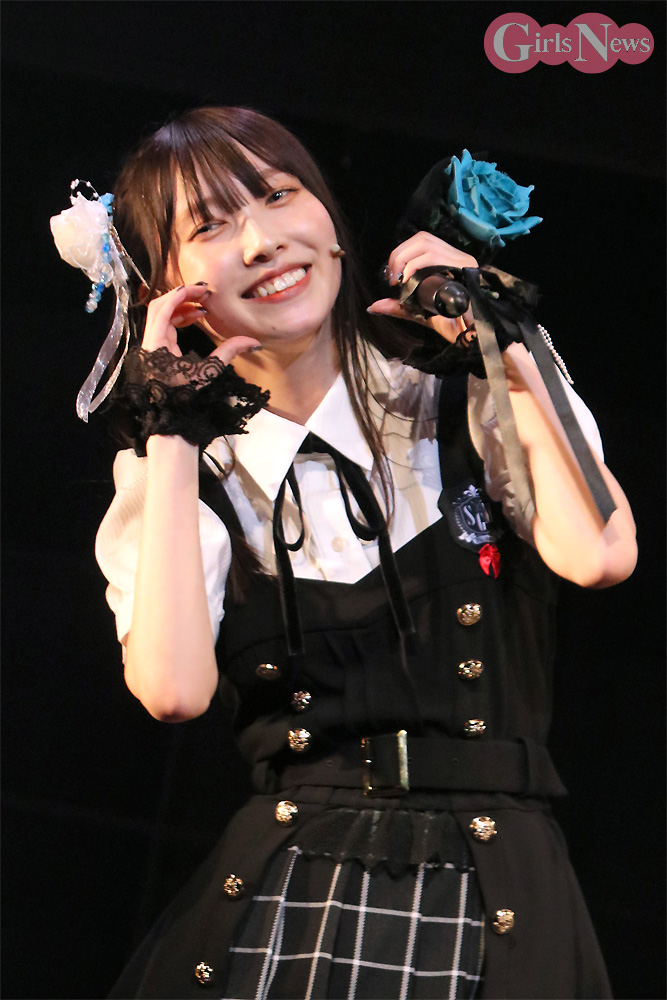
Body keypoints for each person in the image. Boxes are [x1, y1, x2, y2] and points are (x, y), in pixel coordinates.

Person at [91, 107, 636, 1000]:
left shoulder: (454, 385)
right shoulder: (186, 469)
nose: (261, 242)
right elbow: (172, 690)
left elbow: (599, 553)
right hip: (287, 892)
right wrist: (171, 429)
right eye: (211, 227)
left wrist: (499, 339)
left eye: (278, 196)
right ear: (168, 288)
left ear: (331, 220)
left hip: (492, 884)